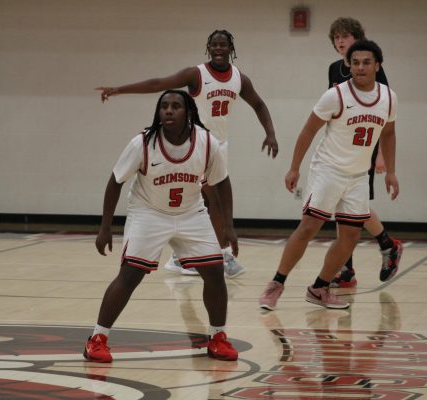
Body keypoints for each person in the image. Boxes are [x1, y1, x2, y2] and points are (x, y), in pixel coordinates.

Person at [96, 29, 278, 279]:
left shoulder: (239, 79)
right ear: (208, 48)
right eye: (213, 45)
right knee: (211, 199)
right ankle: (212, 253)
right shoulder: (196, 74)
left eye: (222, 45)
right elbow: (158, 84)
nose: (217, 49)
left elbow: (258, 104)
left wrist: (270, 133)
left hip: (218, 145)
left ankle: (187, 255)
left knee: (203, 202)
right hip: (193, 144)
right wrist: (119, 89)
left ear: (230, 49)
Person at [84, 90, 239, 362]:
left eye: (175, 106)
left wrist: (228, 225)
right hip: (149, 212)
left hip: (191, 212)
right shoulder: (142, 143)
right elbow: (115, 181)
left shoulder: (206, 142)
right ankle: (97, 338)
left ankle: (218, 337)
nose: (168, 111)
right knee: (131, 274)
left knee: (215, 271)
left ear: (188, 112)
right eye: (164, 106)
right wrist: (105, 227)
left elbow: (222, 182)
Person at [258, 40, 399, 311]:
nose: (360, 67)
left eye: (366, 62)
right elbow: (308, 130)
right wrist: (294, 167)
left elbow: (389, 133)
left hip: (358, 176)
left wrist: (391, 171)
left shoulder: (389, 97)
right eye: (354, 62)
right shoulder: (335, 95)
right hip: (328, 170)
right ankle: (276, 283)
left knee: (350, 236)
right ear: (348, 65)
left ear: (377, 65)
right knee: (309, 226)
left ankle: (319, 288)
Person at [327, 17, 403, 288]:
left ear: (357, 38)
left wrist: (382, 155)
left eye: (345, 36)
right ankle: (348, 267)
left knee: (353, 206)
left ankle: (386, 245)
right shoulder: (334, 69)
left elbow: (384, 115)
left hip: (365, 147)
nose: (340, 41)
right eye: (336, 37)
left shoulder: (372, 68)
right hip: (341, 148)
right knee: (343, 205)